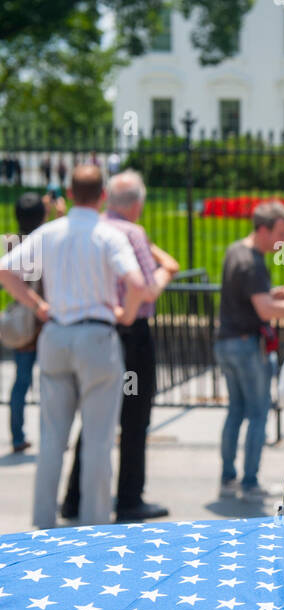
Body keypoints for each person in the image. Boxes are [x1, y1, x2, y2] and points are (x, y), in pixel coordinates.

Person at [0, 164, 148, 528]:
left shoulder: (50, 233)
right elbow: (138, 284)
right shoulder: (108, 236)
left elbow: (5, 271)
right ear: (102, 196)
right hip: (97, 337)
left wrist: (38, 307)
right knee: (98, 442)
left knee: (52, 439)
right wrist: (125, 315)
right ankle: (94, 526)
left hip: (57, 334)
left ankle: (43, 526)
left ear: (68, 192)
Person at [60, 170, 179, 522]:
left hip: (96, 331)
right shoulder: (132, 233)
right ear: (138, 205)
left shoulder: (93, 228)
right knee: (135, 417)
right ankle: (129, 497)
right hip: (131, 334)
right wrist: (165, 272)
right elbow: (146, 289)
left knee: (96, 417)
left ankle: (74, 497)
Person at [216, 202, 284, 500]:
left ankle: (228, 479)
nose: (283, 242)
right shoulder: (253, 262)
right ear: (263, 230)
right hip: (247, 346)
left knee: (236, 411)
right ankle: (250, 482)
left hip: (226, 342)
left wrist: (272, 295)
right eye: (280, 234)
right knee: (259, 413)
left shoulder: (235, 250)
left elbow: (250, 299)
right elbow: (264, 311)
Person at [6, 192, 57, 453]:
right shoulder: (46, 241)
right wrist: (56, 215)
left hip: (25, 320)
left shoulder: (13, 243)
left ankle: (17, 437)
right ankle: (54, 435)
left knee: (21, 381)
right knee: (53, 383)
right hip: (46, 321)